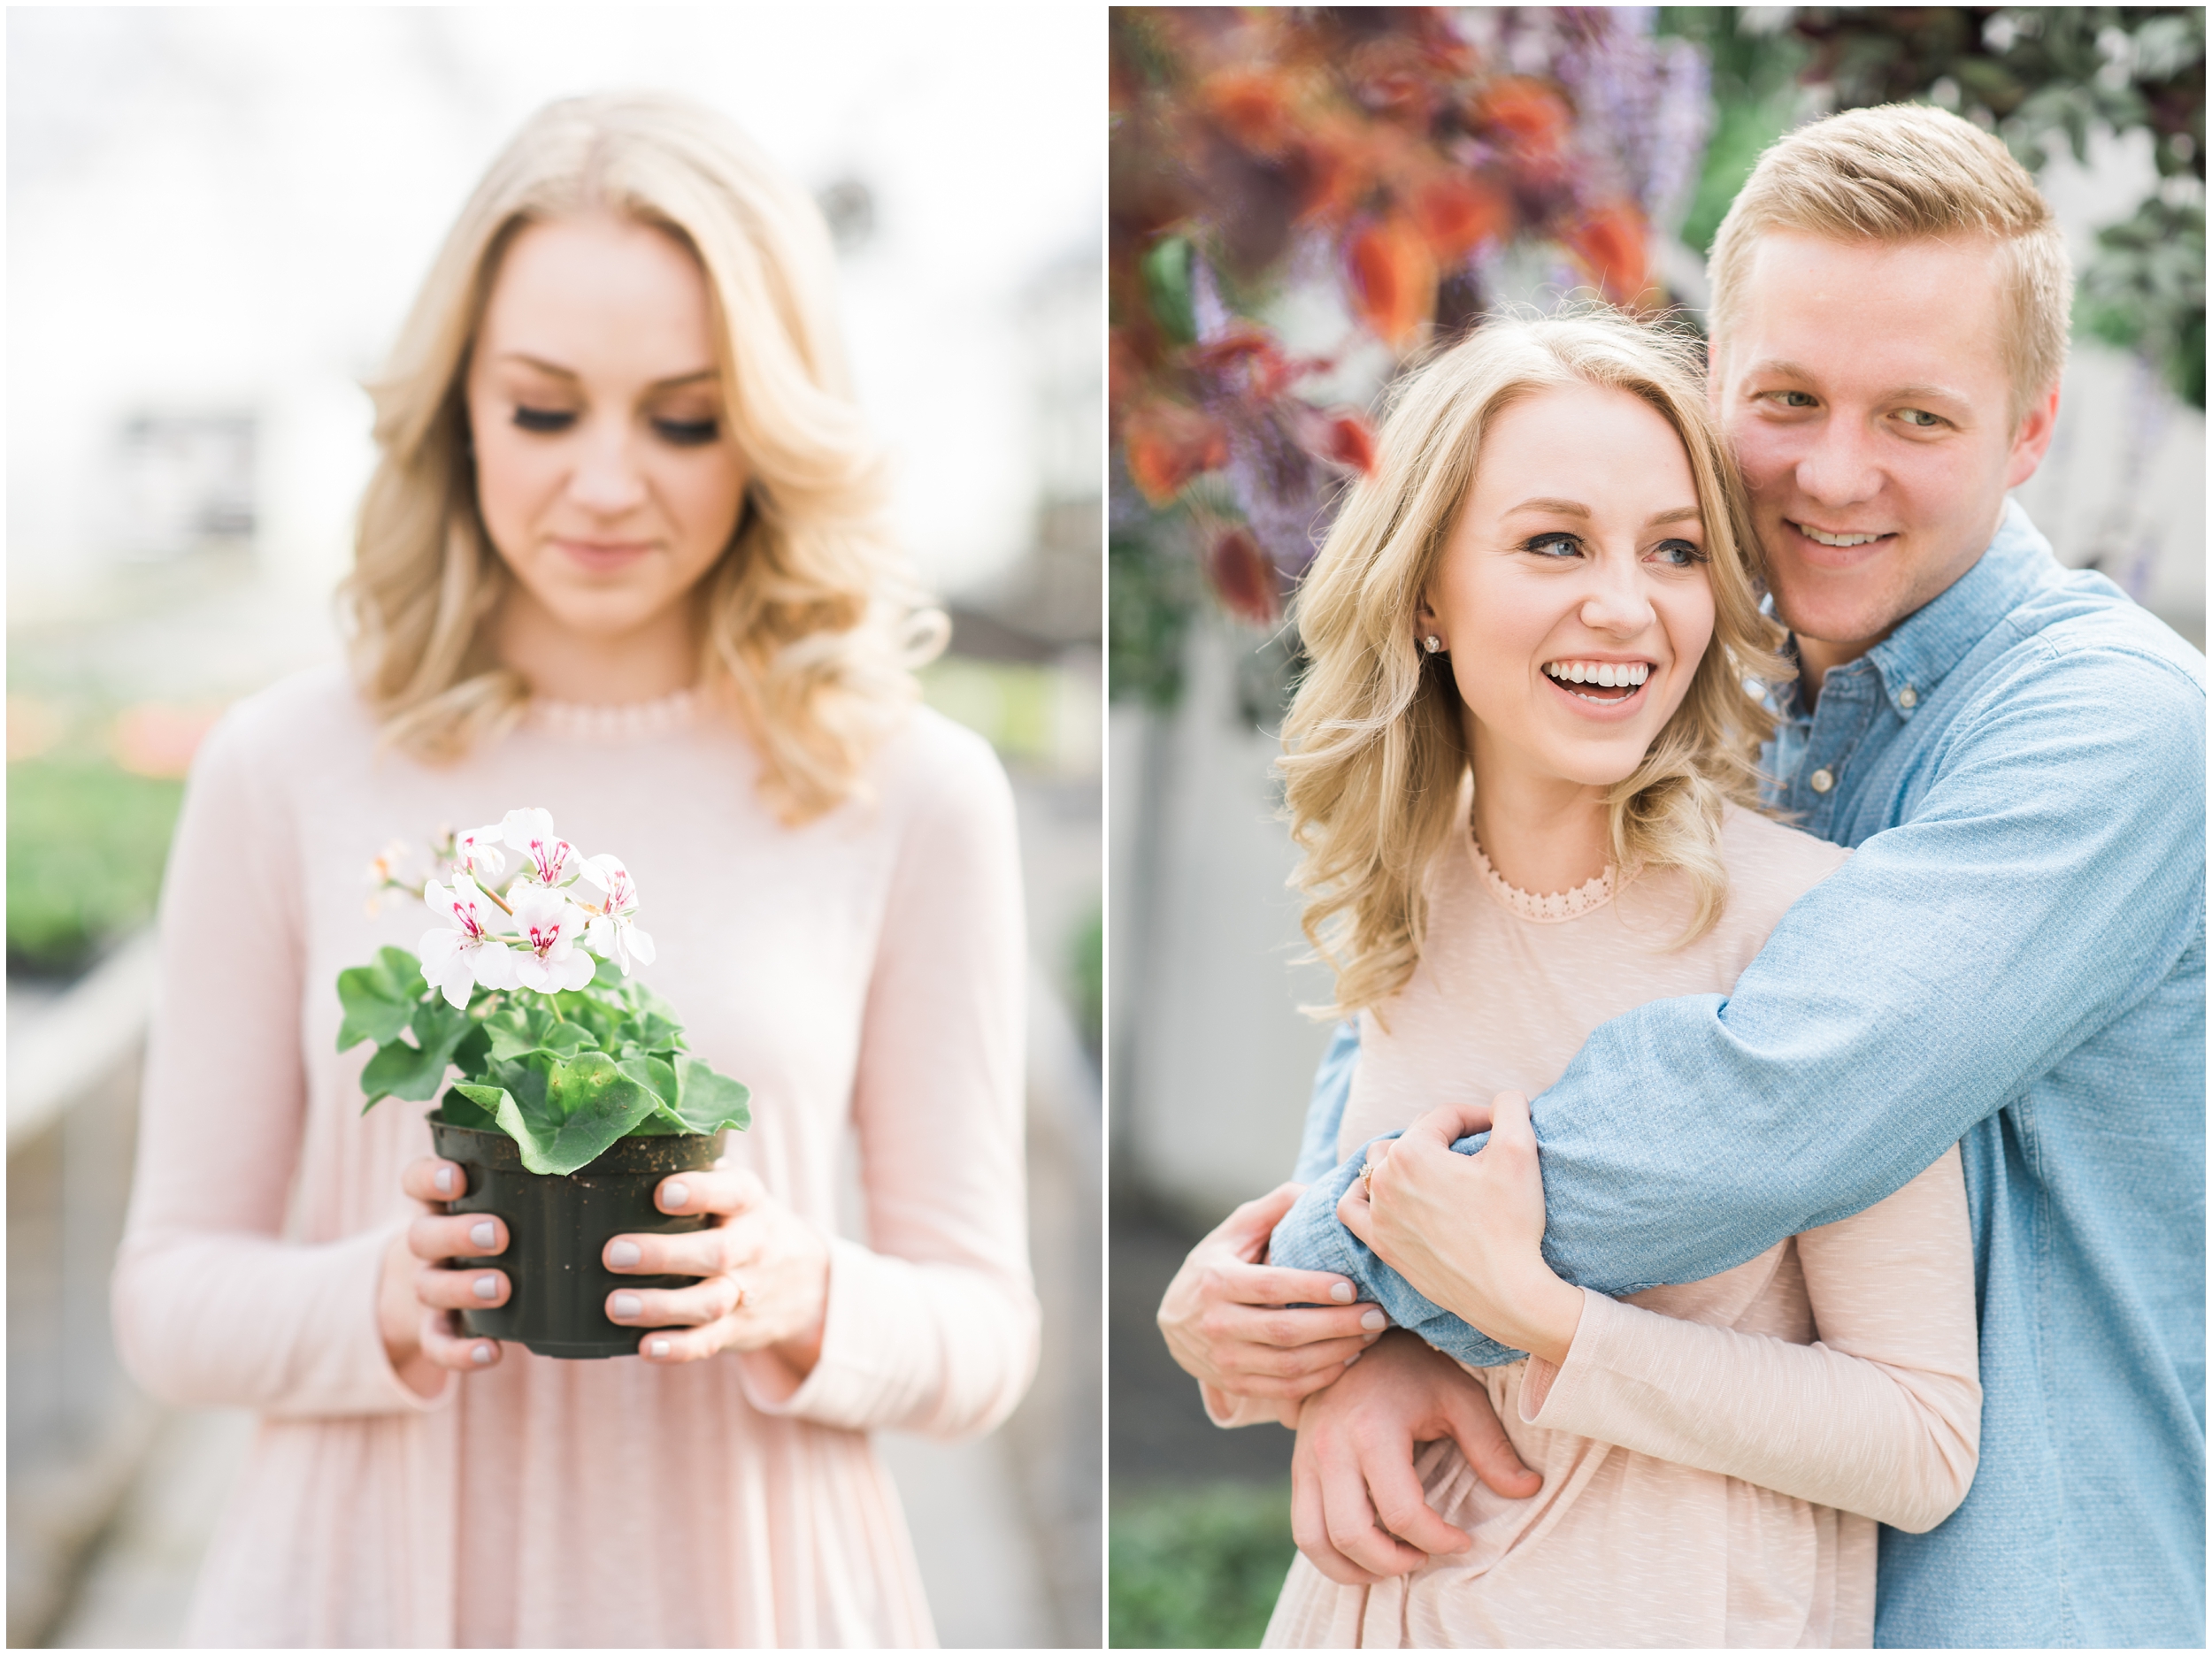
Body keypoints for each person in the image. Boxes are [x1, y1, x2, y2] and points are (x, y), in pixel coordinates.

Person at [1164, 103, 2204, 1647]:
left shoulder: (2111, 730)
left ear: (2030, 430)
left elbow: (1767, 1101)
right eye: (1787, 399)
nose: (1833, 475)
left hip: (2030, 1595)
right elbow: (1426, 1030)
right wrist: (1338, 1328)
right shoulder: (1686, 695)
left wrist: (1326, 1281)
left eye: (1918, 418)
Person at [111, 93, 1036, 1647]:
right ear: (457, 410)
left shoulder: (911, 791)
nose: (609, 484)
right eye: (545, 410)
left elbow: (988, 1330)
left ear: (771, 425)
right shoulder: (283, 769)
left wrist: (798, 1285)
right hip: (359, 1593)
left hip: (754, 1596)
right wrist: (383, 1296)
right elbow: (165, 1294)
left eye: (684, 418)